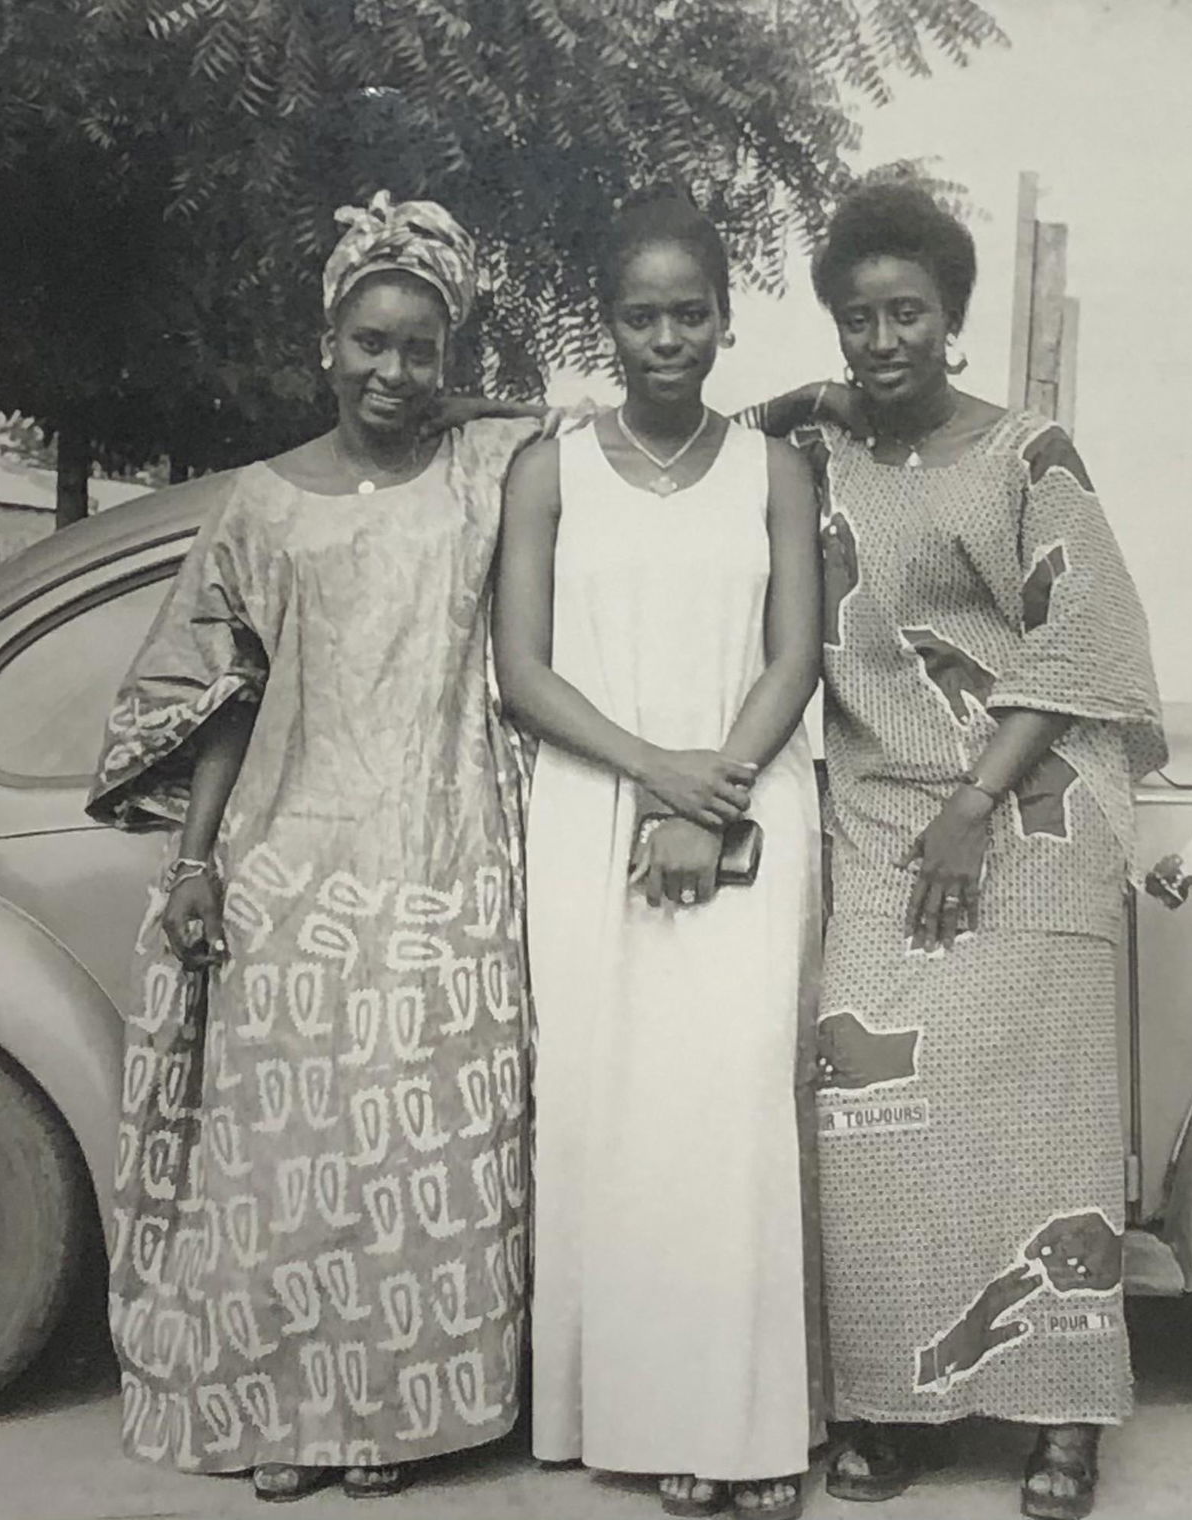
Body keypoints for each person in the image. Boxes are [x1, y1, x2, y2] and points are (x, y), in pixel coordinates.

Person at [87, 191, 552, 1503]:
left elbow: (601, 426)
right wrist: (193, 864)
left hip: (447, 862)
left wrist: (475, 415)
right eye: (370, 343)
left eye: (422, 350)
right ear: (326, 344)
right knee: (283, 1162)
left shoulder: (488, 478)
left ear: (454, 363)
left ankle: (396, 1425)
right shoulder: (262, 503)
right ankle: (280, 1413)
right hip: (288, 869)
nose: (393, 374)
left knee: (420, 1165)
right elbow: (219, 693)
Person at [758, 179, 1164, 1520]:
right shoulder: (824, 454)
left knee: (1042, 1128)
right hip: (882, 819)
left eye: (908, 315)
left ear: (954, 321)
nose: (883, 341)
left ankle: (1062, 1421)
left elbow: (1082, 638)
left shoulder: (1030, 453)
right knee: (867, 1109)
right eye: (858, 319)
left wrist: (977, 803)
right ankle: (897, 1399)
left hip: (1028, 810)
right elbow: (681, 430)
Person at [494, 189, 824, 1520]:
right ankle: (624, 1416)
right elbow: (523, 672)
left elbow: (793, 655)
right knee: (611, 1109)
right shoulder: (548, 469)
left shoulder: (774, 471)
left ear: (727, 319)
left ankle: (740, 1431)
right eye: (644, 315)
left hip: (746, 807)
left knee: (729, 1109)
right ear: (607, 325)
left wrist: (713, 794)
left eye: (692, 312)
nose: (670, 336)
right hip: (591, 809)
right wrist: (656, 776)